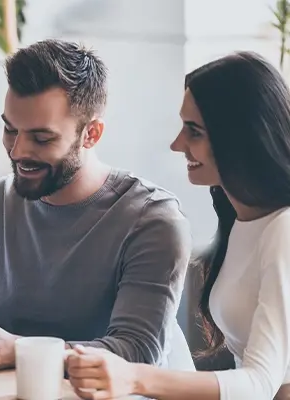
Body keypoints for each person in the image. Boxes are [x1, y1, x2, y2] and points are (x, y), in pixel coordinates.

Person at [0, 39, 194, 373]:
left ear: (92, 134)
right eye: (10, 130)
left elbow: (137, 352)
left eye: (42, 138)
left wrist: (20, 351)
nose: (17, 151)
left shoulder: (152, 221)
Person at [65, 51, 290, 400]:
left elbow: (260, 384)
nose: (177, 144)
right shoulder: (241, 219)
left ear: (241, 137)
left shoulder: (284, 229)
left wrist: (135, 378)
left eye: (193, 131)